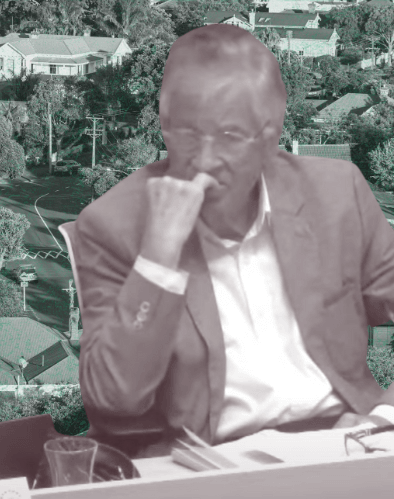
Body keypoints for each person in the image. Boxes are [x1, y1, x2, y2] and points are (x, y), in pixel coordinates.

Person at [75, 24, 394, 457]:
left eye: (228, 136)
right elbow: (113, 401)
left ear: (269, 134)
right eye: (186, 132)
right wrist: (157, 259)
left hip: (344, 445)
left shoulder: (337, 193)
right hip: (204, 464)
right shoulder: (111, 224)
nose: (204, 159)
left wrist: (383, 418)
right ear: (165, 125)